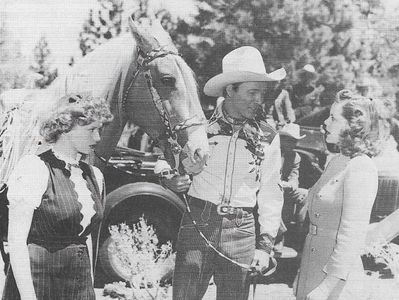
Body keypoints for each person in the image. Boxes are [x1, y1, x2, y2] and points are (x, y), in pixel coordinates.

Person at [171, 46, 286, 300]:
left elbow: (270, 193)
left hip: (242, 230)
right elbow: (169, 166)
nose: (259, 100)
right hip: (198, 223)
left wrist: (265, 247)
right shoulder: (197, 129)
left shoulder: (268, 136)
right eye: (252, 92)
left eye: (262, 93)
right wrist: (175, 175)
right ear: (230, 90)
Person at [2, 93, 113, 300]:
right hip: (38, 283)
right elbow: (17, 242)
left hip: (77, 285)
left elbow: (85, 239)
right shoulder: (34, 168)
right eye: (91, 130)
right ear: (66, 128)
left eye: (100, 129)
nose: (97, 138)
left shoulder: (94, 175)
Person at [294, 89, 382, 300]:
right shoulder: (337, 161)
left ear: (352, 126)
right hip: (313, 265)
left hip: (336, 279)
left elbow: (352, 235)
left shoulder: (361, 167)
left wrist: (326, 288)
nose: (325, 122)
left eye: (333, 117)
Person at [274, 124, 308, 256]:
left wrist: (292, 184)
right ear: (281, 138)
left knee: (305, 195)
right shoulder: (271, 152)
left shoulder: (295, 157)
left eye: (294, 140)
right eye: (288, 139)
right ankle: (278, 238)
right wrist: (281, 184)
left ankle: (299, 234)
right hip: (268, 189)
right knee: (277, 196)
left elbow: (294, 176)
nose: (292, 143)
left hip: (285, 188)